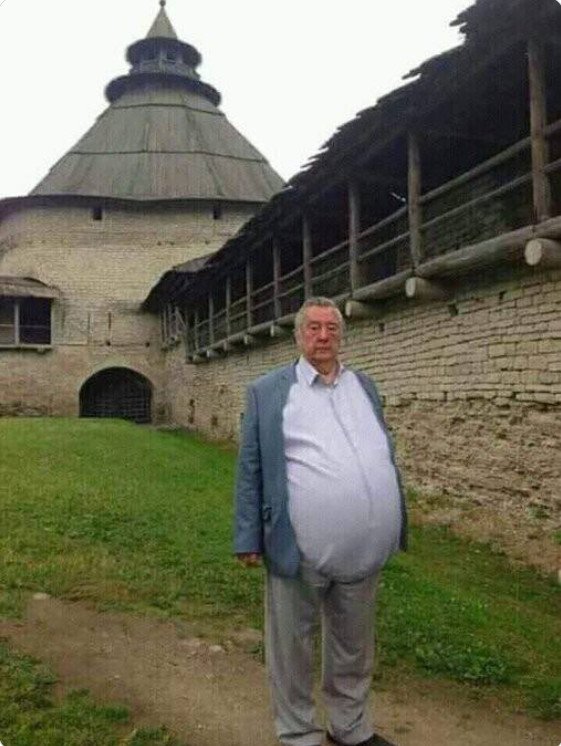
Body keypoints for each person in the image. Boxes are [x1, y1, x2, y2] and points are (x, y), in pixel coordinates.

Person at [234, 297, 408, 746]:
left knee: (354, 646)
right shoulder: (269, 391)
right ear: (298, 336)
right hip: (298, 549)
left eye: (332, 328)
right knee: (292, 646)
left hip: (365, 553)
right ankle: (298, 733)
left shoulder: (363, 386)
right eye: (313, 328)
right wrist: (247, 534)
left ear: (342, 336)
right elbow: (251, 467)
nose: (323, 336)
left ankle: (350, 728)